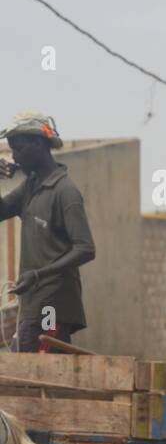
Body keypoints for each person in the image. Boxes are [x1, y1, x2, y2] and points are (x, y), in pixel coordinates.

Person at [0, 113, 96, 353]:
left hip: (52, 305)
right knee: (41, 367)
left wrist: (38, 275)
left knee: (34, 362)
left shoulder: (65, 192)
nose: (14, 156)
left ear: (39, 144)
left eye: (19, 149)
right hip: (34, 304)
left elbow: (85, 249)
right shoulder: (30, 186)